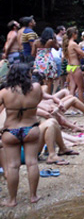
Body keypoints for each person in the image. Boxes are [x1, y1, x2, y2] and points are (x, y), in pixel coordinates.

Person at [0, 62, 43, 206]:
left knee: (12, 166)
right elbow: (38, 100)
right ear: (28, 74)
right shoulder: (36, 88)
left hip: (10, 131)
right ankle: (34, 196)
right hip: (30, 128)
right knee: (32, 163)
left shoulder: (4, 92)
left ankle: (12, 200)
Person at [33, 28, 59, 93]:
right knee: (50, 80)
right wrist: (55, 39)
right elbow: (57, 48)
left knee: (39, 78)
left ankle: (39, 95)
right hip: (48, 60)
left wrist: (39, 56)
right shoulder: (50, 41)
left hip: (38, 60)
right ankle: (48, 95)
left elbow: (32, 53)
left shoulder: (36, 42)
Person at [63, 27, 84, 101]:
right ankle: (83, 107)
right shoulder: (73, 44)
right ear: (73, 34)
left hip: (69, 66)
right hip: (75, 66)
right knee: (81, 88)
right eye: (76, 34)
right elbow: (83, 54)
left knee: (72, 88)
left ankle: (72, 107)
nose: (77, 36)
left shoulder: (67, 44)